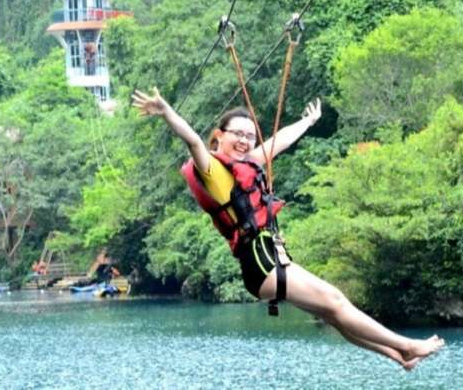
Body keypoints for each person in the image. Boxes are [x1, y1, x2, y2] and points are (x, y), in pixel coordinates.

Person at [132, 88, 445, 370]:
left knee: (332, 313)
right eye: (237, 134)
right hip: (262, 262)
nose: (244, 141)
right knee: (336, 300)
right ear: (219, 136)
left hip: (267, 261)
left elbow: (278, 142)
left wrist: (308, 122)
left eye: (250, 136)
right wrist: (166, 111)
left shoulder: (246, 163)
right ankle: (407, 344)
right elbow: (192, 140)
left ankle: (397, 356)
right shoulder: (213, 171)